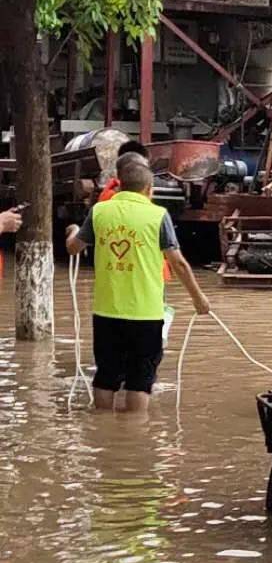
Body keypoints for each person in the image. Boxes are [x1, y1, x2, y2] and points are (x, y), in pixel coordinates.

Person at [65, 158, 210, 414]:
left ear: (121, 186)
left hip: (106, 312)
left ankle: (102, 430)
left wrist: (73, 230)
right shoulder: (158, 215)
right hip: (146, 314)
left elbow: (73, 247)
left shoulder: (100, 211)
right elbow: (178, 263)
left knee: (106, 374)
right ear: (148, 189)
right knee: (140, 380)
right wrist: (198, 299)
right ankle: (133, 440)